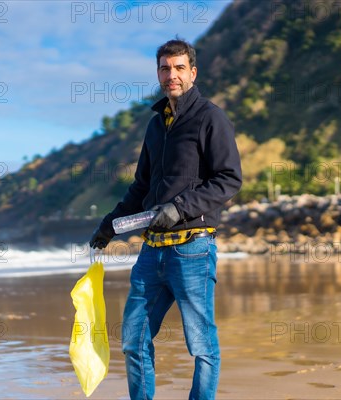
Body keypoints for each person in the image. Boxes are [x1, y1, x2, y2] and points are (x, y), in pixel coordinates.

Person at [90, 38, 242, 400]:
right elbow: (142, 186)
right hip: (151, 254)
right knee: (133, 340)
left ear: (193, 72)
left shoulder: (210, 118)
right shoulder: (157, 125)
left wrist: (179, 207)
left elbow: (229, 179)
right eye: (164, 68)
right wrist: (109, 225)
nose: (170, 74)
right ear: (158, 73)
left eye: (178, 67)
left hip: (192, 250)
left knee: (201, 346)